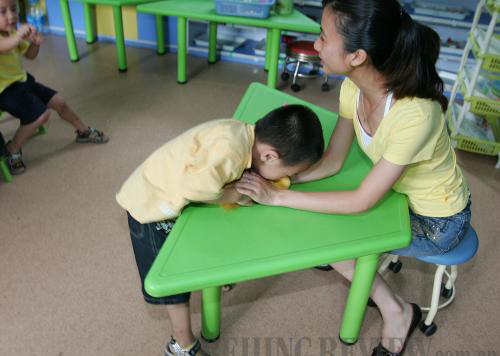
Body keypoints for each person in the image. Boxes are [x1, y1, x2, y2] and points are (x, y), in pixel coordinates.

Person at [235, 1, 471, 355]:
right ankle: (376, 287)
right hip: (400, 196)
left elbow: (361, 200)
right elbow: (333, 162)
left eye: (322, 37)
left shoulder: (414, 115)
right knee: (322, 220)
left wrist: (277, 196)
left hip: (440, 220)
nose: (315, 45)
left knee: (330, 238)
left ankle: (398, 311)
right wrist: (283, 180)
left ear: (357, 56)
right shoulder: (353, 89)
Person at [116, 104, 324, 356]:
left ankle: (212, 278)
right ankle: (181, 344)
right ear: (269, 156)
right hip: (150, 206)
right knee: (173, 280)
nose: (284, 176)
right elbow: (194, 188)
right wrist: (234, 195)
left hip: (165, 189)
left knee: (205, 237)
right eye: (288, 171)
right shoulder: (231, 151)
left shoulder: (243, 135)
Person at [0, 0, 108, 175]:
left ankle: (83, 132)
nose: (11, 16)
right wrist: (18, 35)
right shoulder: (11, 36)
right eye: (2, 12)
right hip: (4, 91)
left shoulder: (11, 32)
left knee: (60, 102)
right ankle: (12, 149)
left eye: (13, 9)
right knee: (41, 115)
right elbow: (5, 46)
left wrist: (35, 42)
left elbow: (30, 56)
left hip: (21, 81)